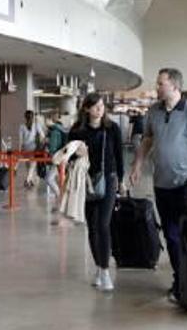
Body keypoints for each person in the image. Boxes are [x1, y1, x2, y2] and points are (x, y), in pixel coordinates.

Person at [129, 68, 187, 302]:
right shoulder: (153, 111)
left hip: (186, 185)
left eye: (160, 84)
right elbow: (147, 140)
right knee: (171, 235)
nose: (156, 87)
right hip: (161, 184)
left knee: (186, 235)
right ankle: (181, 280)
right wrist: (137, 164)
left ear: (174, 86)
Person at [67, 93, 123, 291]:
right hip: (86, 182)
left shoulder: (112, 128)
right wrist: (76, 155)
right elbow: (66, 156)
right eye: (96, 106)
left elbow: (119, 155)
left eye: (102, 105)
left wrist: (121, 181)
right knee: (92, 227)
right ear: (86, 109)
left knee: (103, 224)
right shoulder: (77, 131)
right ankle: (99, 267)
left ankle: (105, 271)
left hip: (108, 179)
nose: (100, 108)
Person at [19, 110, 45, 189]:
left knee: (28, 165)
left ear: (25, 117)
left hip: (25, 148)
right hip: (34, 147)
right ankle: (28, 180)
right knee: (32, 165)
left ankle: (30, 180)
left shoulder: (22, 126)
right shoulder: (36, 125)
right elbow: (42, 136)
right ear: (33, 117)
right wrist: (41, 143)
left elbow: (21, 140)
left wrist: (20, 150)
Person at [43, 112, 67, 197]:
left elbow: (53, 147)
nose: (44, 122)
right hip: (61, 157)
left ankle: (61, 195)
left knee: (50, 179)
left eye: (45, 120)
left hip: (57, 158)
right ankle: (60, 195)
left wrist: (47, 143)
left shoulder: (54, 131)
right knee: (59, 177)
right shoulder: (59, 128)